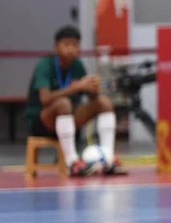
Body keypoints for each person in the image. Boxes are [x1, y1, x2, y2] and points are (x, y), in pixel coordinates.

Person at [27, 26, 127, 177]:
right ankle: (72, 163)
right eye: (66, 45)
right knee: (63, 104)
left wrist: (93, 89)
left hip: (68, 120)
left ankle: (109, 159)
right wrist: (74, 88)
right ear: (56, 47)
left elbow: (91, 97)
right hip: (41, 121)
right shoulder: (45, 64)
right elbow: (45, 99)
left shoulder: (78, 65)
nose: (71, 49)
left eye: (75, 45)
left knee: (104, 103)